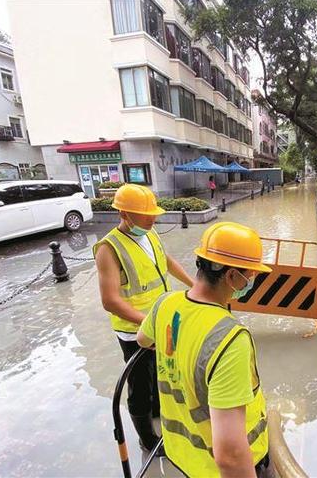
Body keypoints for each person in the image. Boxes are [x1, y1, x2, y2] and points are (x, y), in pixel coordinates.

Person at [137, 222, 271, 477]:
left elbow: (143, 339)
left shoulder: (165, 304)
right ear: (232, 276)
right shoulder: (230, 338)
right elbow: (230, 455)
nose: (252, 281)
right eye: (250, 274)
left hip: (183, 457)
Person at [93, 184, 194, 451]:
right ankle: (147, 439)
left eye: (153, 213)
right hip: (134, 332)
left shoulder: (150, 234)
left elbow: (167, 260)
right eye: (145, 214)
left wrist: (192, 283)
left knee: (160, 372)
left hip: (160, 324)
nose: (153, 218)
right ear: (125, 214)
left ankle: (158, 412)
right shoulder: (109, 248)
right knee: (140, 386)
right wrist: (150, 324)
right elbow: (110, 301)